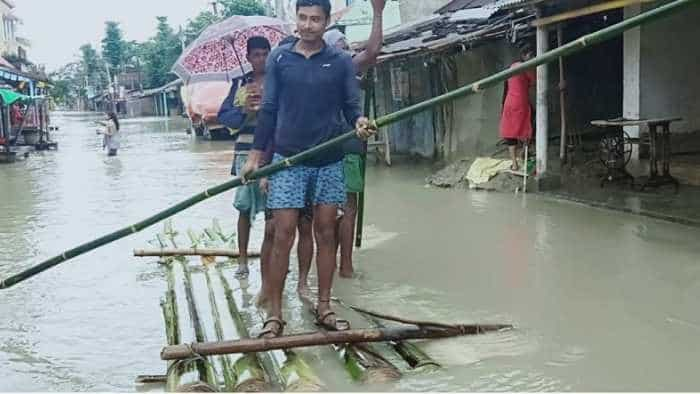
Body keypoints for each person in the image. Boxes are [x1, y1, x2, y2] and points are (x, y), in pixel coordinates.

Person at [241, 0, 376, 337]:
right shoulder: (280, 59)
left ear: (327, 22)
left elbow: (350, 107)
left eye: (316, 19)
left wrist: (359, 122)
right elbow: (269, 110)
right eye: (303, 17)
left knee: (326, 232)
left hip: (328, 159)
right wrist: (257, 155)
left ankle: (325, 305)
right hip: (288, 160)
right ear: (296, 19)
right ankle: (275, 313)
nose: (308, 24)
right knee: (282, 233)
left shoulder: (341, 61)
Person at [321, 0, 386, 279]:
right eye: (343, 45)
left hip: (321, 147)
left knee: (326, 211)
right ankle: (345, 266)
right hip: (345, 145)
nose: (348, 49)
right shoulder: (341, 65)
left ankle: (329, 267)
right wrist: (378, 11)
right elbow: (372, 51)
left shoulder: (320, 68)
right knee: (347, 208)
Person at [217, 36, 272, 278]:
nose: (260, 59)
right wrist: (245, 110)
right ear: (248, 58)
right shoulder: (240, 83)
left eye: (264, 54)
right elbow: (224, 116)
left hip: (272, 151)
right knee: (243, 208)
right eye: (256, 55)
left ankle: (271, 260)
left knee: (275, 211)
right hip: (244, 152)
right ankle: (242, 260)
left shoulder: (277, 81)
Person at [500, 44, 535, 171]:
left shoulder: (512, 66)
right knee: (528, 127)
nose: (532, 58)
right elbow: (535, 81)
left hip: (509, 103)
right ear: (524, 56)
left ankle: (514, 163)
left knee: (510, 133)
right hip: (521, 103)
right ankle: (524, 153)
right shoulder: (527, 68)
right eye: (530, 56)